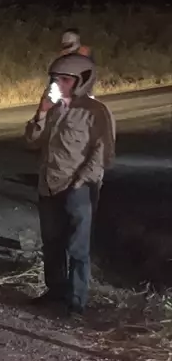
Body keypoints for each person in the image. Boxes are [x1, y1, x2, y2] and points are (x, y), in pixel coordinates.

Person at [24, 53, 115, 316]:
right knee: (51, 243)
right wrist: (40, 113)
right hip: (49, 185)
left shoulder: (95, 112)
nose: (57, 84)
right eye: (55, 79)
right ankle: (55, 291)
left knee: (77, 248)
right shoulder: (52, 108)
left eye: (64, 79)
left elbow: (103, 154)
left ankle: (76, 302)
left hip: (79, 188)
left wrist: (79, 183)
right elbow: (32, 141)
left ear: (82, 80)